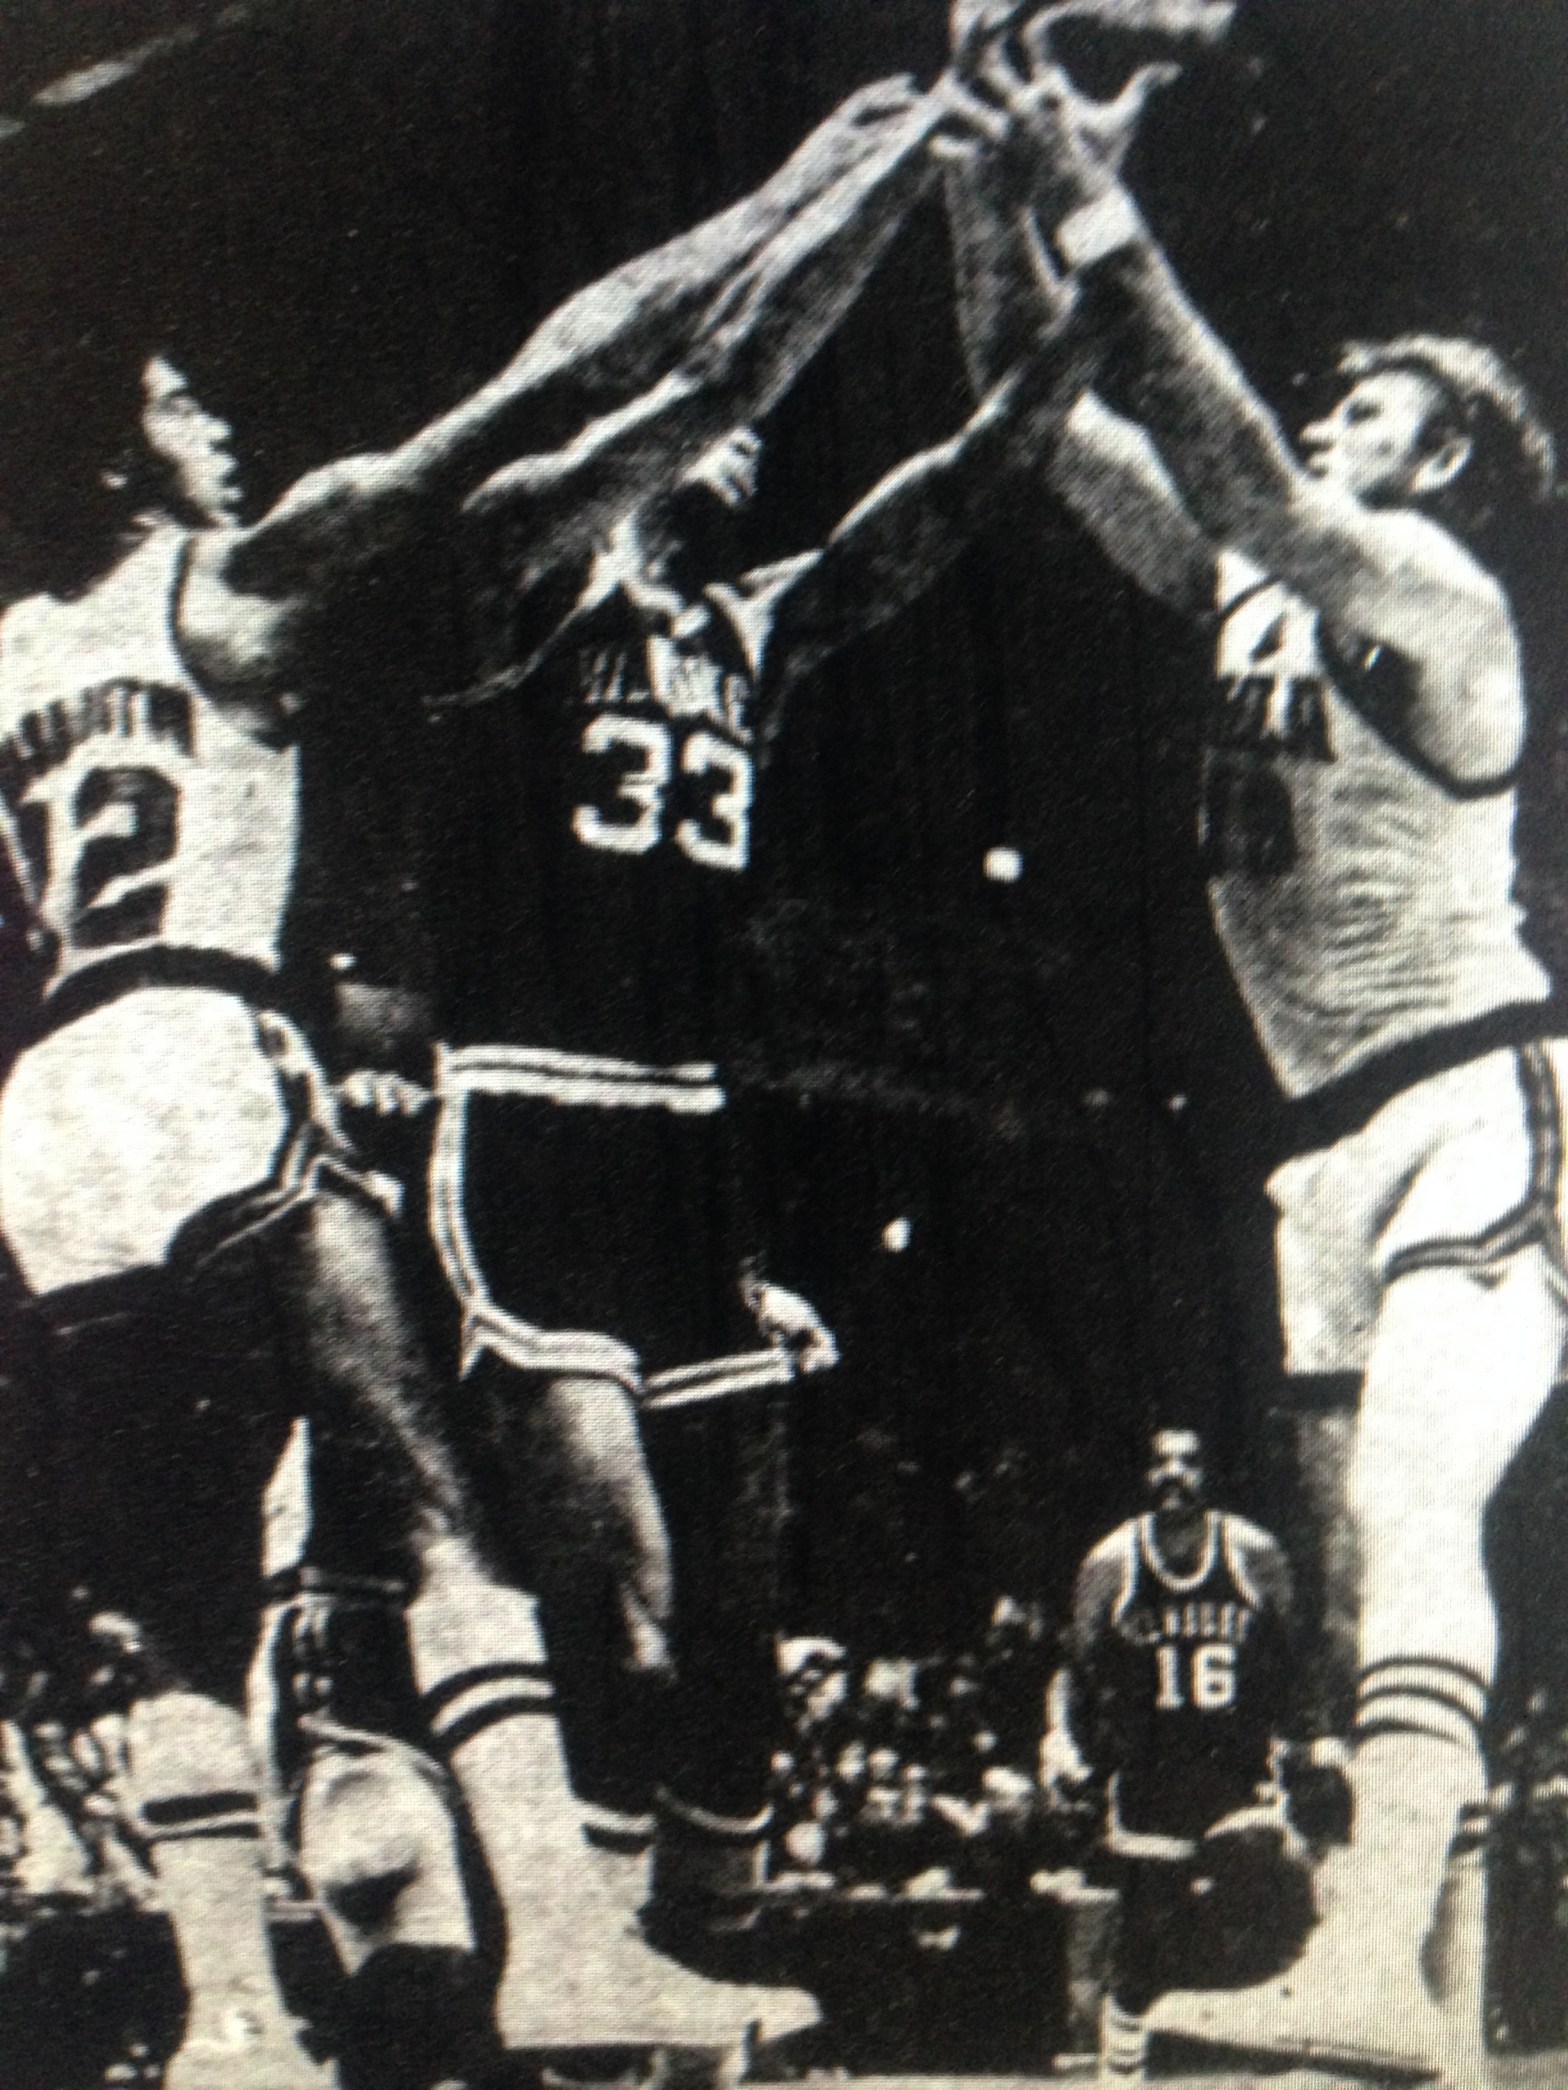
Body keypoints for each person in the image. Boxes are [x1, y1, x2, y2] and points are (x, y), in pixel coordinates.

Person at [0, 72, 983, 2086]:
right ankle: (566, 1951)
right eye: (182, 408)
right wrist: (831, 172)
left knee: (176, 1603)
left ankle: (229, 2027)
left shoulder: (11, 647)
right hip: (200, 1050)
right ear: (120, 451)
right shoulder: (237, 582)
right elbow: (561, 382)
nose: (217, 425)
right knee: (437, 1509)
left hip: (48, 1117)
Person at [422, 27, 1118, 1956]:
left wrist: (1080, 290)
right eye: (705, 422)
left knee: (739, 1621)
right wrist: (907, 154)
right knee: (624, 1592)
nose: (746, 441)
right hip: (534, 1114)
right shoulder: (520, 562)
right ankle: (568, 1971)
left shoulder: (756, 621)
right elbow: (720, 373)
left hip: (692, 1144)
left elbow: (963, 487)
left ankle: (697, 1973)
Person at [945, 8, 1561, 2074]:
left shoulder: (1439, 596)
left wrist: (1097, 204)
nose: (1325, 416)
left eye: (1365, 405)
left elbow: (1256, 488)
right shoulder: (1248, 571)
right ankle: (1425, 2000)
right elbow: (1028, 418)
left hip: (1478, 1094)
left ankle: (1376, 1973)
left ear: (1438, 454)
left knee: (1411, 1504)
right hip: (1322, 1143)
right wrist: (981, 160)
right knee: (1371, 1575)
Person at [1040, 1428, 1300, 2081]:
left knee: (1261, 1891)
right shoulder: (1111, 1561)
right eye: (1160, 1461)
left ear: (1210, 1473)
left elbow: (1295, 1655)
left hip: (1234, 1768)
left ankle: (1278, 2052)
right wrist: (1060, 1739)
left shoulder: (1253, 1552)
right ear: (1144, 1474)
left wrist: (1312, 1736)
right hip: (1152, 1775)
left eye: (1188, 1461)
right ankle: (1121, 2068)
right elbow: (1073, 1668)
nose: (1173, 1473)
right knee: (1146, 1942)